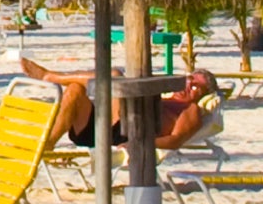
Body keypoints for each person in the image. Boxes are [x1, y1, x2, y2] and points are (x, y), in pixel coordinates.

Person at [19, 58, 217, 151]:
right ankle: (49, 143)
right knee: (74, 90)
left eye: (196, 87)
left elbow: (175, 141)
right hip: (98, 129)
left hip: (125, 133)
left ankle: (51, 76)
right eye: (189, 80)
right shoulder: (164, 97)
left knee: (114, 75)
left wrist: (136, 145)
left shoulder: (190, 111)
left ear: (202, 96)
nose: (188, 86)